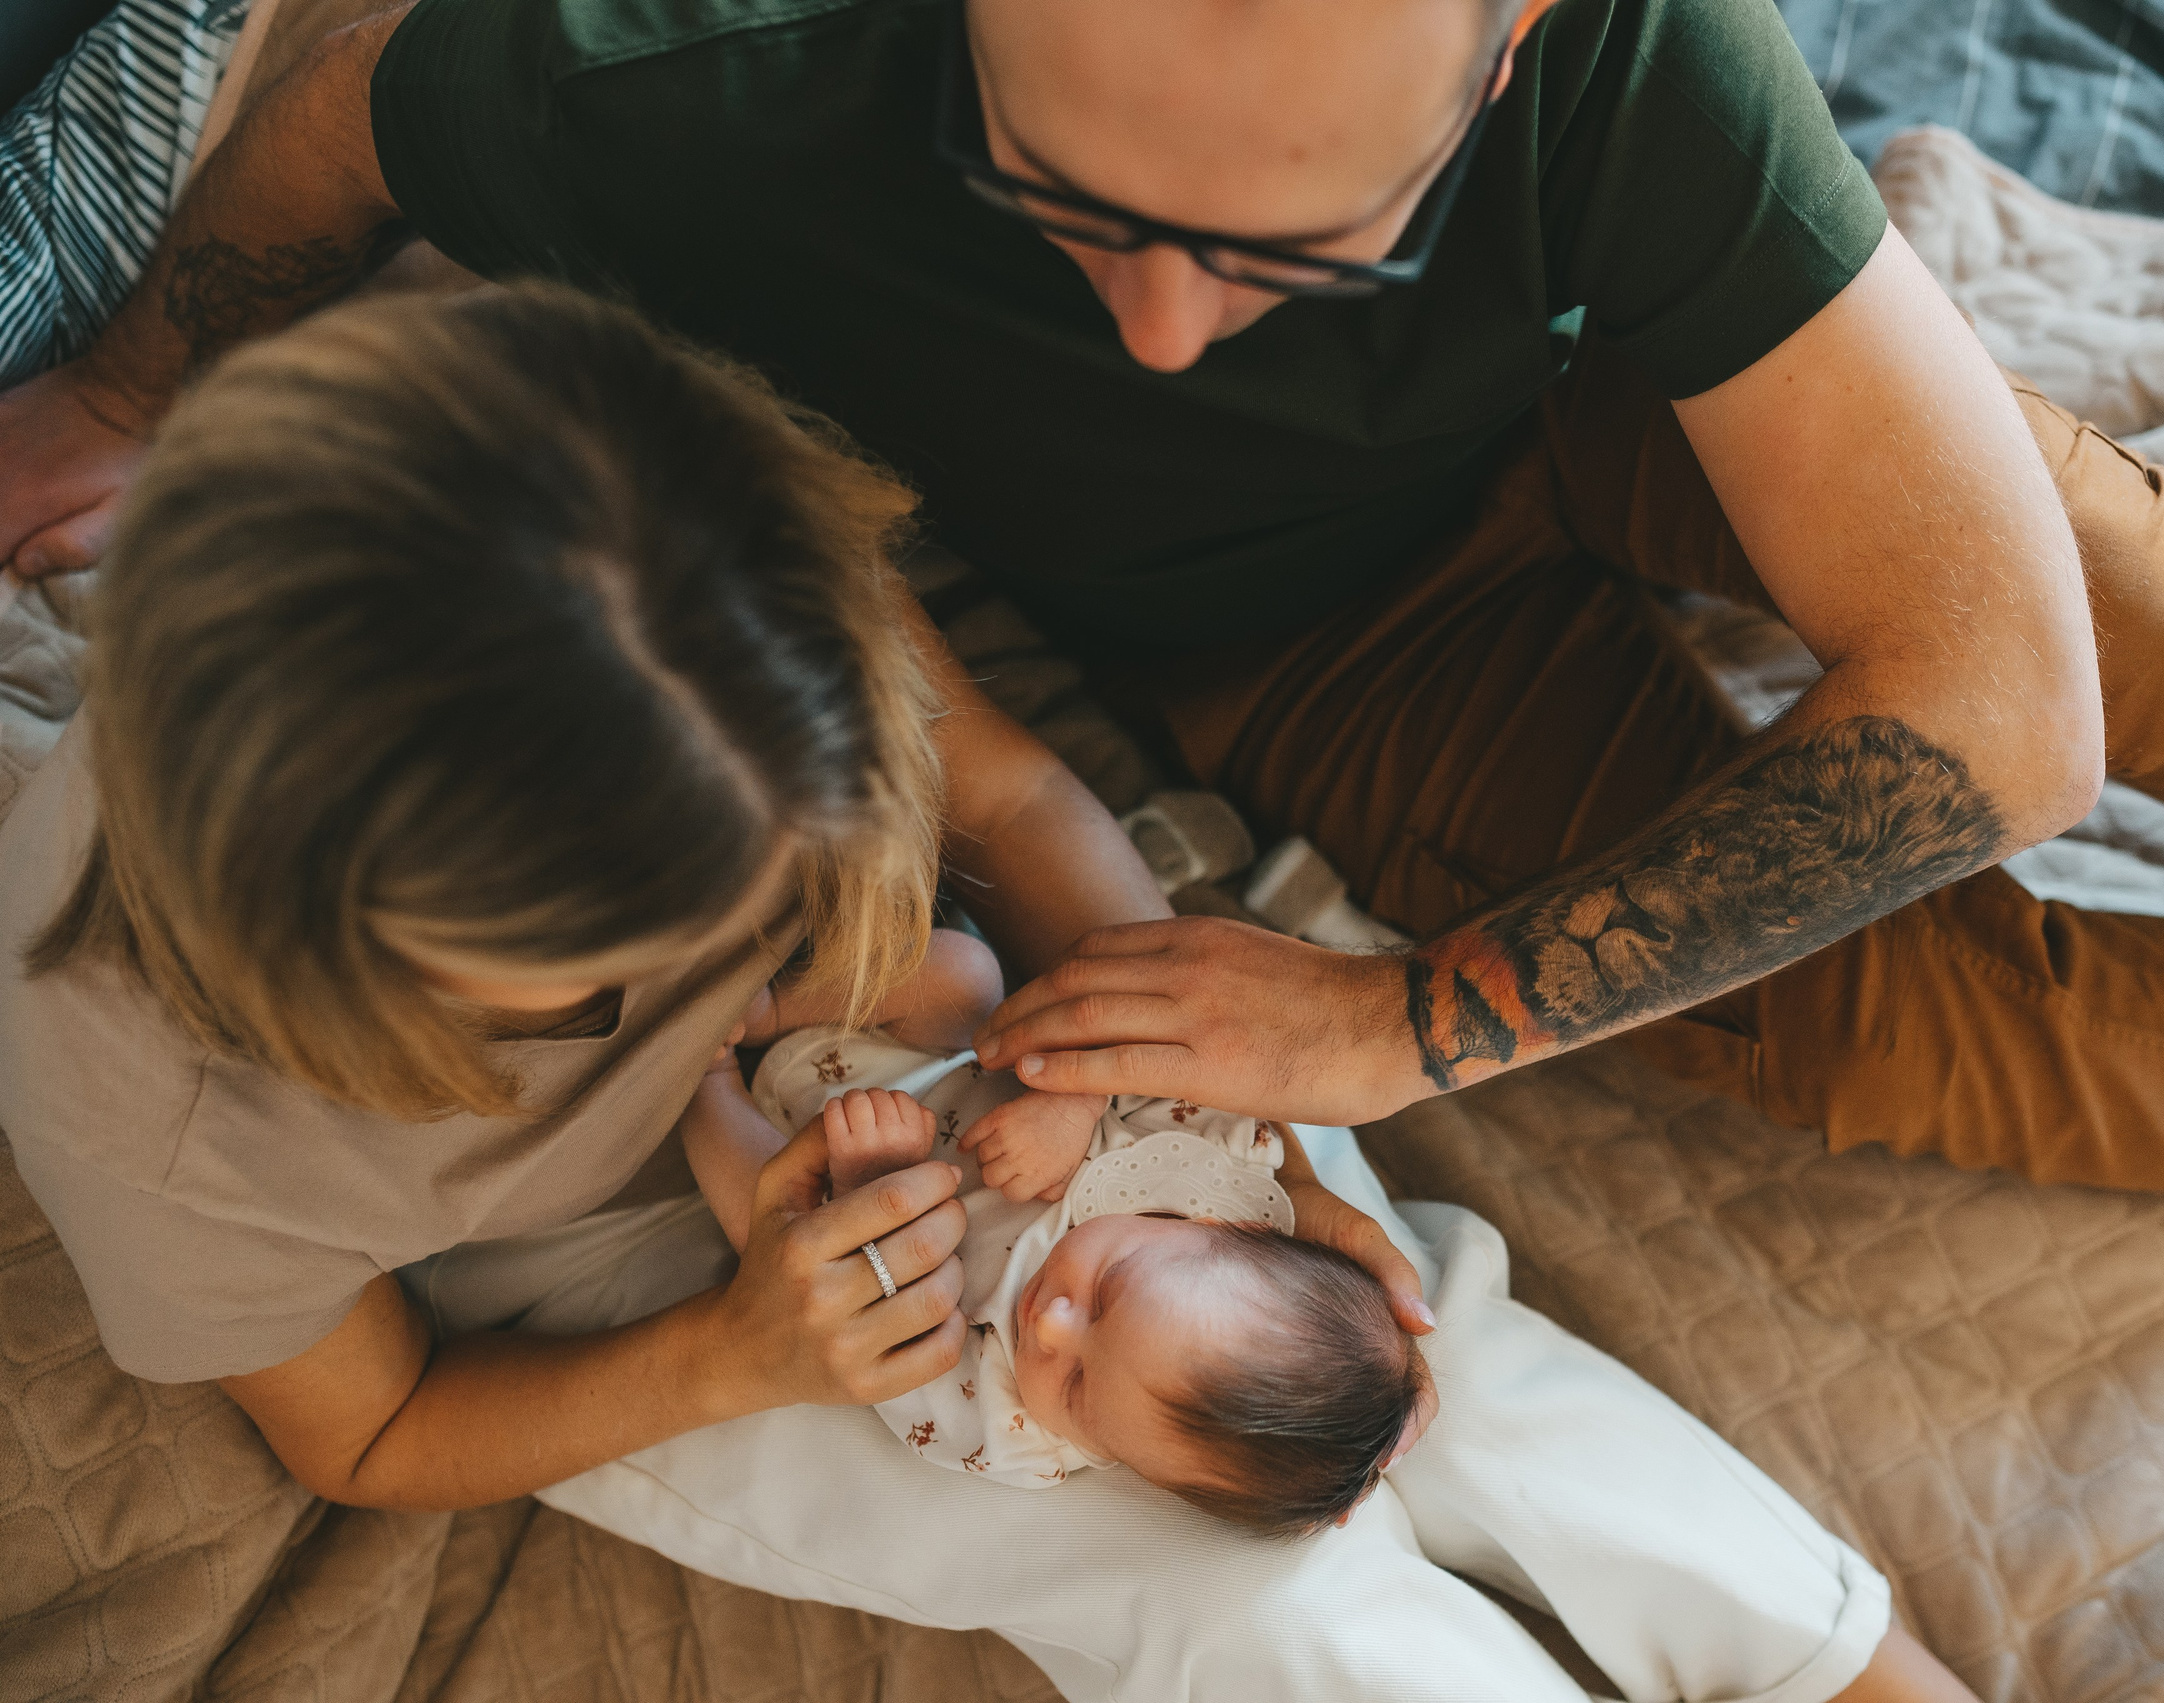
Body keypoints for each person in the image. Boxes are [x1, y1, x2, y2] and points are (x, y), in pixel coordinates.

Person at [3, 0, 2164, 1196]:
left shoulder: (1634, 54)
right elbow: (338, 99)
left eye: (1283, 247)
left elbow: (2006, 719)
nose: (1153, 328)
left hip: (1614, 392)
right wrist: (132, 378)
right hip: (1293, 634)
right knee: (1925, 1035)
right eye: (1069, 208)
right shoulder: (666, 74)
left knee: (2156, 609)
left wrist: (1394, 1027)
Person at [0, 285, 1972, 1700]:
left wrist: (1177, 1072)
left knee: (1381, 1345)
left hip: (953, 1033)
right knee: (1229, 1606)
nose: (753, 956)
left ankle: (1850, 1662)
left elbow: (1013, 789)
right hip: (638, 1286)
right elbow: (370, 1427)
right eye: (671, 947)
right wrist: (745, 1345)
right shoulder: (147, 1090)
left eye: (789, 858)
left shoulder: (644, 531)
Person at [686, 1023, 1430, 1531]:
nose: (1047, 1327)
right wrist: (1071, 1102)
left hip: (806, 1155)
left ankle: (703, 1076)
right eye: (1108, 1293)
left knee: (772, 1248)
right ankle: (776, 1006)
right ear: (1226, 1226)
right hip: (906, 1034)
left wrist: (871, 1185)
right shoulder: (1201, 1151)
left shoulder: (1018, 1433)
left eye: (1074, 1390)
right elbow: (1143, 1039)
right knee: (967, 974)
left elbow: (876, 1340)